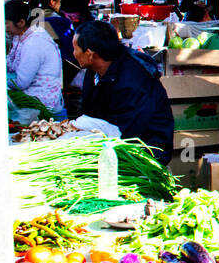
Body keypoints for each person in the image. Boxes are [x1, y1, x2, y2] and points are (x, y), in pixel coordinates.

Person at [73, 20, 174, 161]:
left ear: (90, 54)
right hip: (111, 144)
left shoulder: (133, 80)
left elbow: (128, 133)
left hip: (145, 153)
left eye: (75, 48)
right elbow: (90, 113)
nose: (73, 53)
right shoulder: (93, 71)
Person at [6, 0, 64, 117]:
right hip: (31, 100)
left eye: (6, 23)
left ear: (21, 22)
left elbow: (21, 82)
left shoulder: (34, 43)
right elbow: (9, 63)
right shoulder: (20, 35)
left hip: (42, 106)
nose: (4, 27)